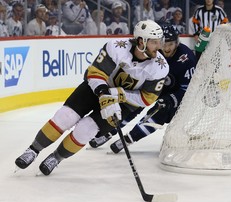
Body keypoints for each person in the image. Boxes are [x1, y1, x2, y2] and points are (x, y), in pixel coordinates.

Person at [14, 20, 168, 175]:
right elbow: (95, 73)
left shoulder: (160, 67)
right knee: (65, 117)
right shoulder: (116, 47)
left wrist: (117, 95)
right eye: (154, 42)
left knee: (86, 130)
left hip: (124, 104)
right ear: (141, 41)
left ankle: (57, 157)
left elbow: (146, 99)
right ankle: (33, 150)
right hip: (95, 88)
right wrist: (104, 93)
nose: (159, 47)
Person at [88, 24, 197, 153]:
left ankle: (130, 138)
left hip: (172, 93)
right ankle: (110, 131)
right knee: (133, 105)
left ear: (177, 43)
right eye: (165, 44)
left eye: (171, 44)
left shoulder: (187, 58)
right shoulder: (154, 51)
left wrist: (171, 99)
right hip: (151, 87)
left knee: (160, 112)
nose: (167, 48)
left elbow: (188, 89)